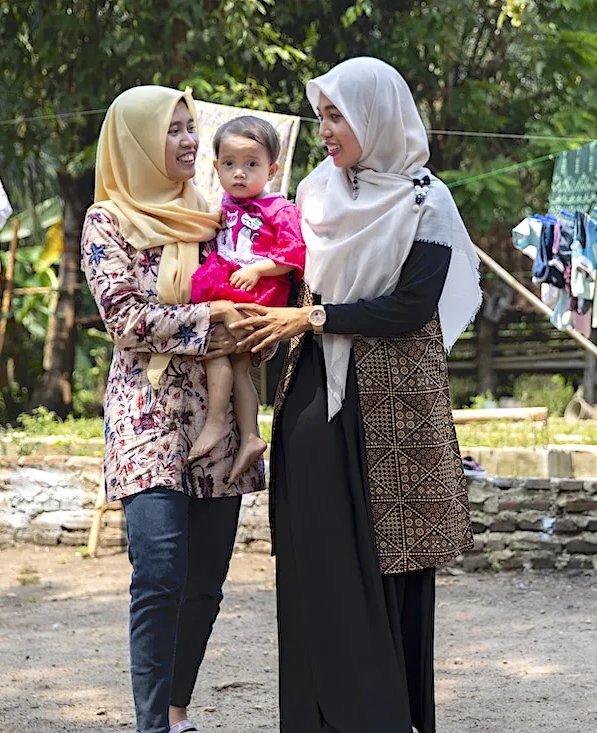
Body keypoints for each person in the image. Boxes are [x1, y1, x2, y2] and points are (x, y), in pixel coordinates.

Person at [232, 57, 483, 733]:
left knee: (391, 559)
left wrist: (313, 318)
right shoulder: (314, 194)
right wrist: (272, 277)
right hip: (314, 389)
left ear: (376, 114)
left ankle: (383, 715)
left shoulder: (427, 200)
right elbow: (299, 271)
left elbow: (407, 307)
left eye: (337, 115)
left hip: (395, 405)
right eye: (321, 116)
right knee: (316, 556)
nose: (325, 130)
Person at [81, 85, 266, 733]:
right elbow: (126, 318)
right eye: (174, 130)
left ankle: (177, 709)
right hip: (148, 417)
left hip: (219, 417)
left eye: (193, 128)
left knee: (207, 583)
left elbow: (256, 295)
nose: (190, 140)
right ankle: (151, 724)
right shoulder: (107, 221)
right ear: (136, 141)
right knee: (159, 573)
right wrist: (213, 319)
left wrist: (249, 317)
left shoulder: (215, 216)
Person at [188, 116, 306, 482]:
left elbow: (295, 252)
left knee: (217, 350)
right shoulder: (222, 204)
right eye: (229, 164)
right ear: (216, 166)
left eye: (251, 164)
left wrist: (260, 270)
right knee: (238, 366)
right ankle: (251, 436)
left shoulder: (279, 208)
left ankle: (216, 421)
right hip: (229, 282)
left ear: (272, 169)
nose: (239, 173)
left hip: (256, 289)